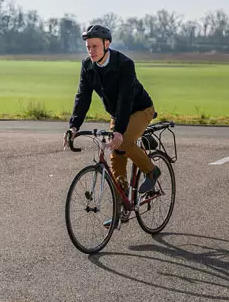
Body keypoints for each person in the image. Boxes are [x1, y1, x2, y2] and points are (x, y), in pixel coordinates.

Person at [62, 24, 161, 198]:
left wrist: (120, 132)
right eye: (88, 47)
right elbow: (82, 97)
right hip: (118, 113)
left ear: (107, 44)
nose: (91, 51)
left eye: (95, 46)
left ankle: (152, 171)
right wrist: (74, 126)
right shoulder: (87, 66)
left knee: (122, 142)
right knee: (115, 153)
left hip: (140, 109)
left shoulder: (124, 64)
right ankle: (121, 201)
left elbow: (125, 99)